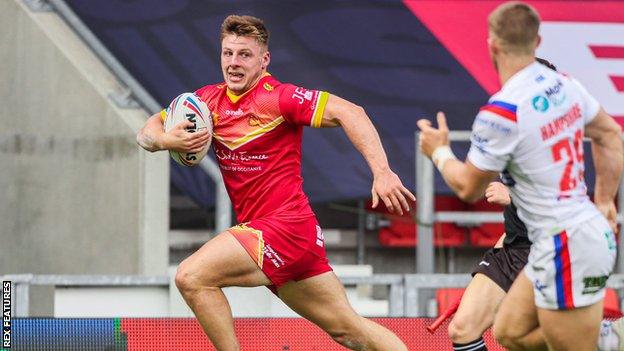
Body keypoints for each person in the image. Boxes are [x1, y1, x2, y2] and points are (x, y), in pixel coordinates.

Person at [137, 15, 414, 351]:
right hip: (286, 235)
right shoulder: (207, 102)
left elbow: (352, 112)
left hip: (284, 227)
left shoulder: (280, 98)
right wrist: (169, 141)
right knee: (350, 331)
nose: (234, 63)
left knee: (191, 277)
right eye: (228, 54)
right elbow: (147, 132)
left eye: (244, 55)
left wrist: (382, 172)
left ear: (264, 59)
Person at [417, 2, 623, 350]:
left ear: (492, 45)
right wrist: (604, 200)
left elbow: (467, 187)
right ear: (537, 40)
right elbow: (610, 135)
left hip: (568, 243)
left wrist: (438, 150)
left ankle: (606, 337)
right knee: (509, 333)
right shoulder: (565, 86)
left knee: (572, 347)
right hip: (557, 239)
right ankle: (603, 337)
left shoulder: (502, 110)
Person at [447, 57, 557, 351]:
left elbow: (567, 200)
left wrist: (439, 153)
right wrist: (505, 237)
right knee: (462, 329)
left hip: (551, 253)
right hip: (513, 249)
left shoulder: (559, 138)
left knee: (516, 337)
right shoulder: (513, 134)